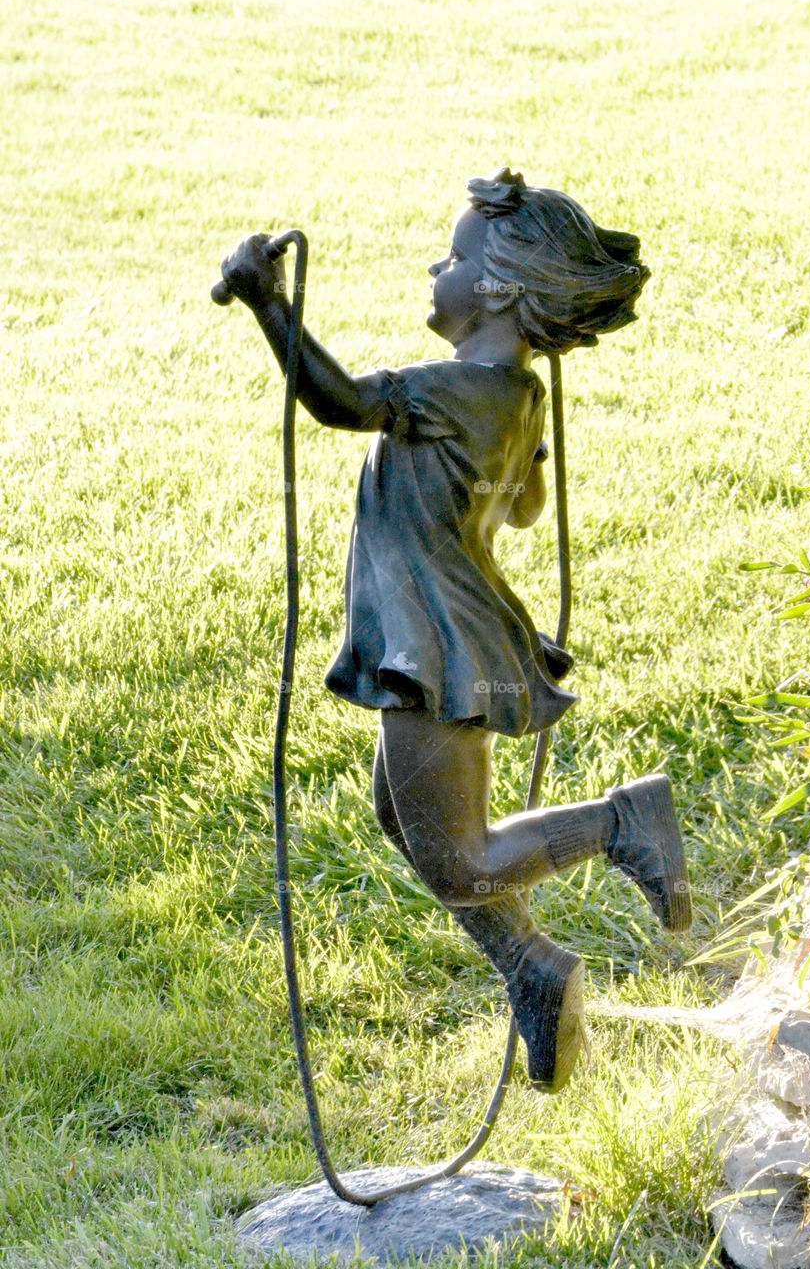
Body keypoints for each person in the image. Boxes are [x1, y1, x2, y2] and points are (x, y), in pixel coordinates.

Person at [217, 168, 692, 1094]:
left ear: (498, 291)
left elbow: (340, 403)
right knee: (404, 815)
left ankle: (623, 821)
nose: (436, 267)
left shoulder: (447, 389)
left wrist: (267, 303)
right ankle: (528, 964)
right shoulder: (513, 397)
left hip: (434, 644)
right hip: (453, 630)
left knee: (461, 856)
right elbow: (520, 509)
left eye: (454, 256)